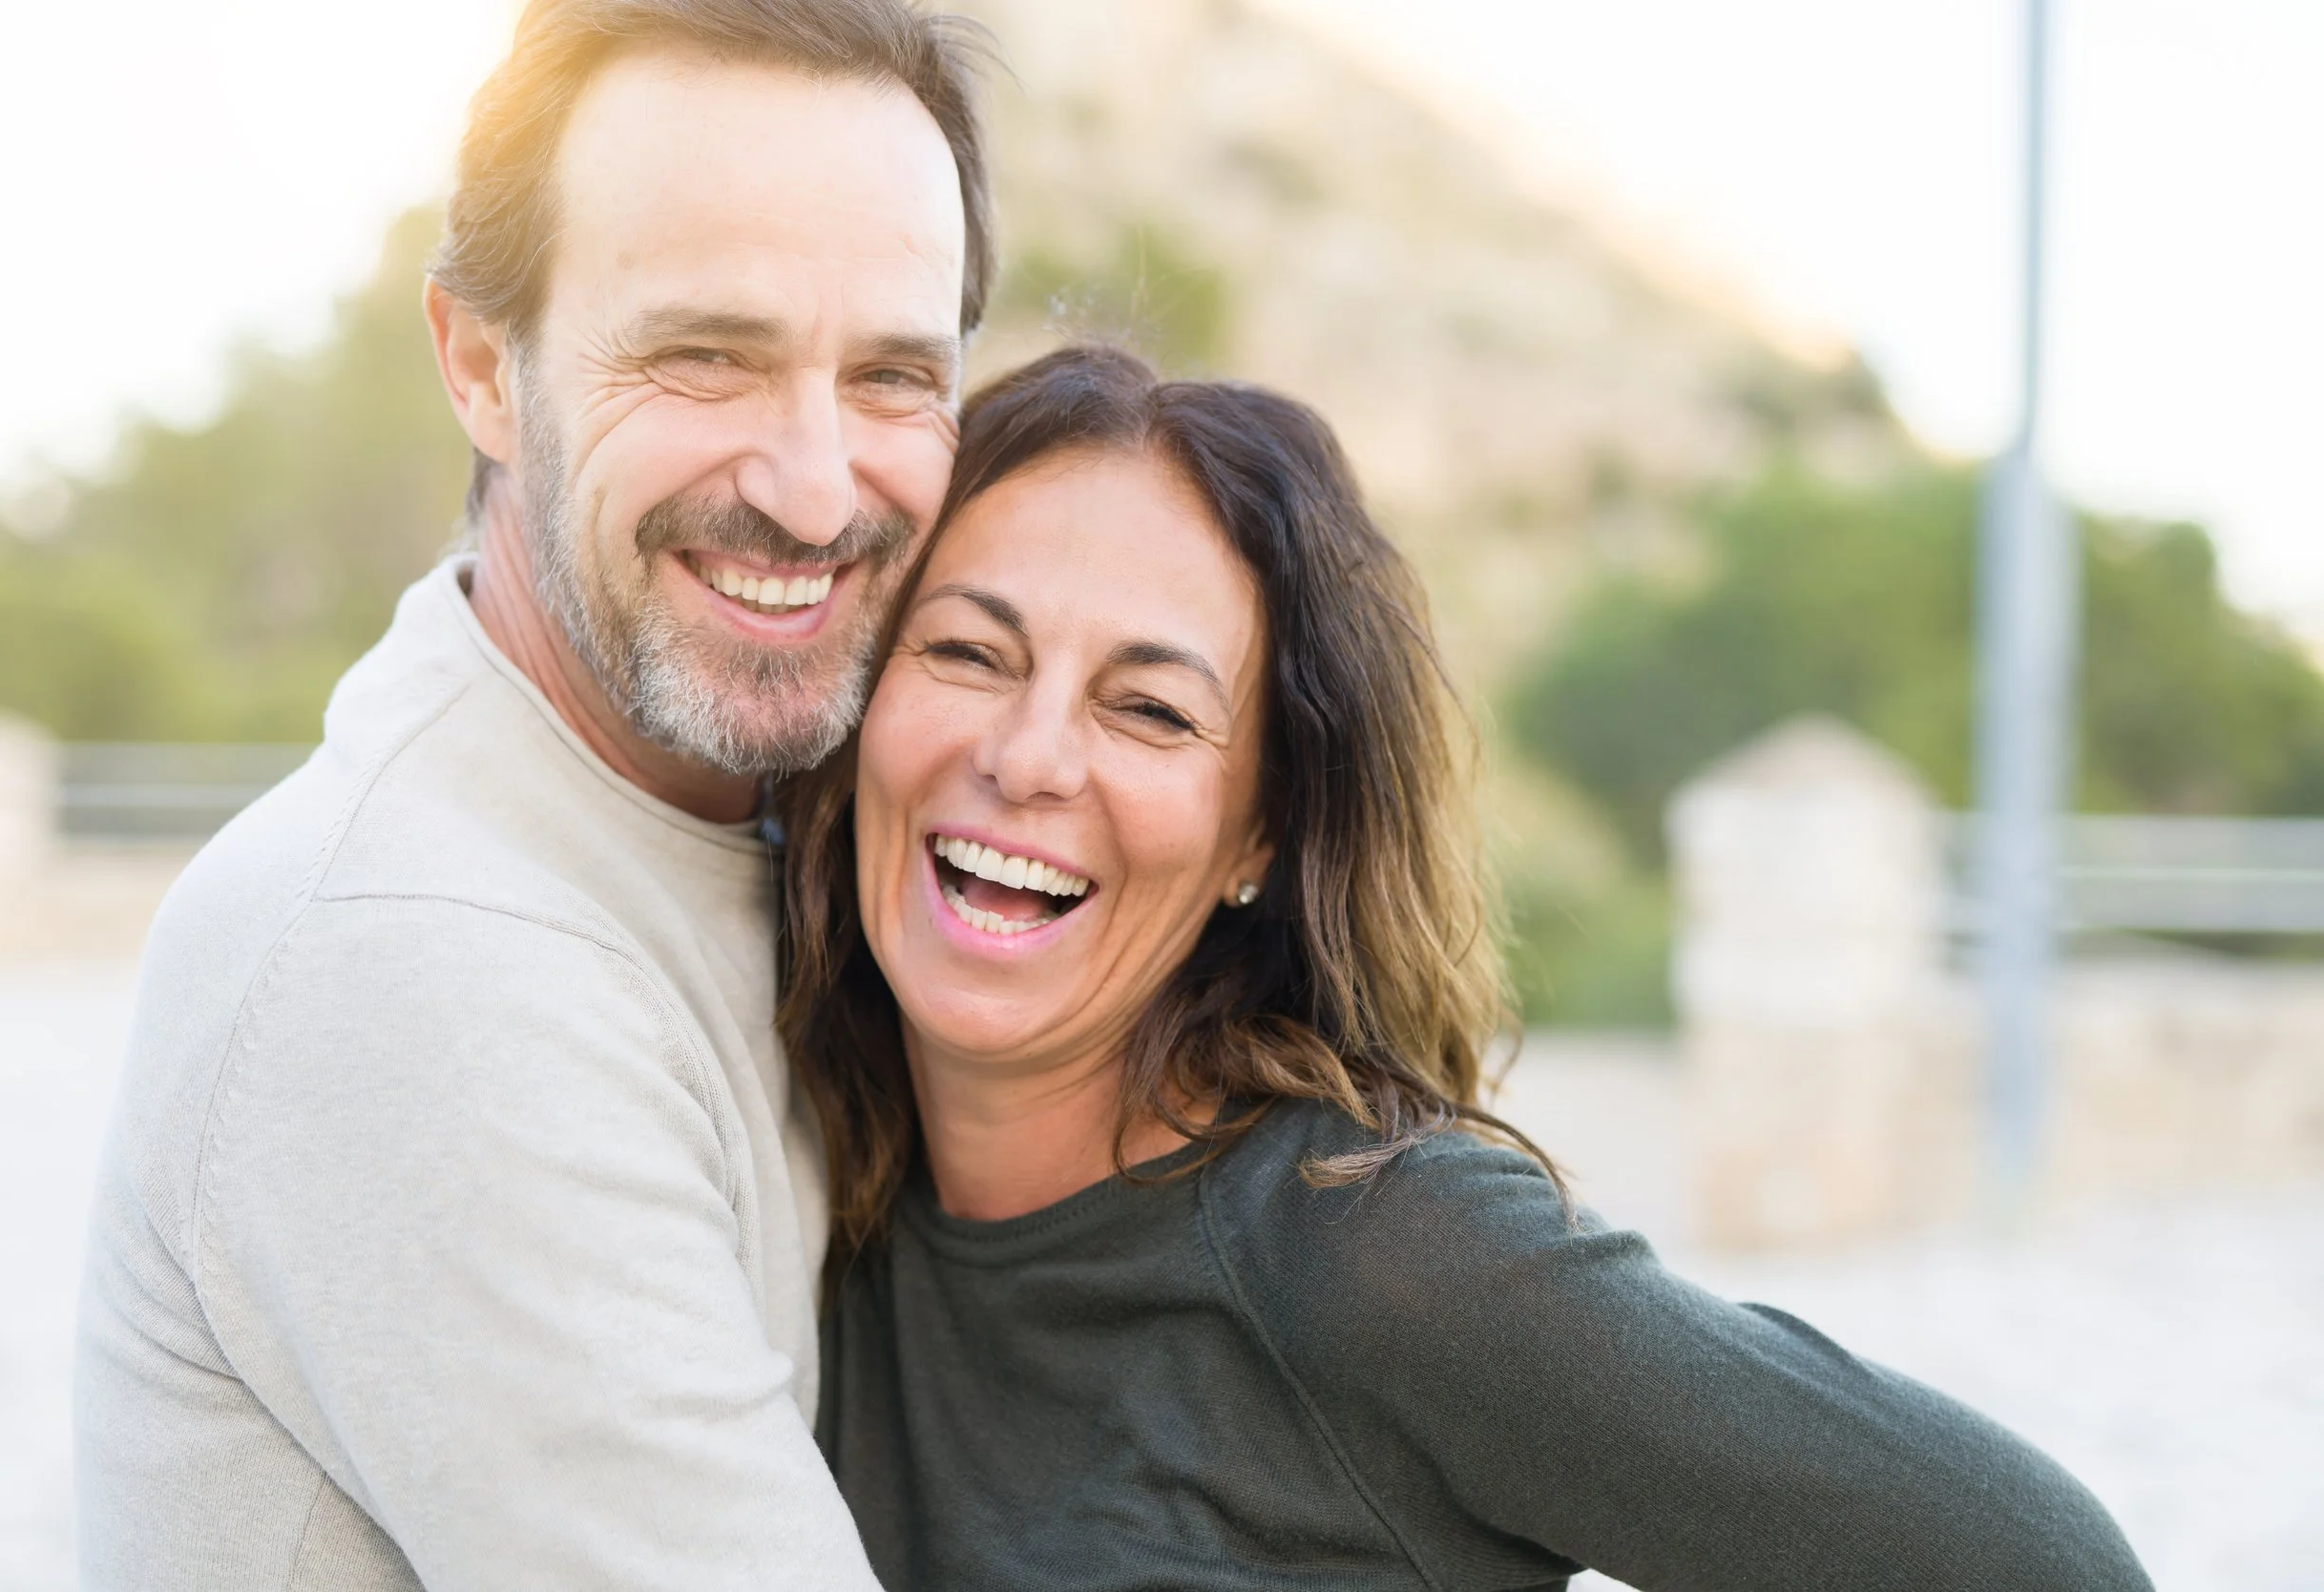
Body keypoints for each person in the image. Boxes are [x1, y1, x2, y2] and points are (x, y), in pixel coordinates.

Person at [783, 345, 2157, 1592]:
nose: (1027, 757)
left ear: (1263, 830)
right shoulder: (784, 1169)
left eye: (1149, 708)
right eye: (967, 650)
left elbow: (2044, 1565)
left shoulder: (1380, 1249)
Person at [73, 2, 993, 1586]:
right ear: (482, 367)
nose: (817, 484)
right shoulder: (419, 964)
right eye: (708, 356)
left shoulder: (784, 830)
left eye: (897, 375)